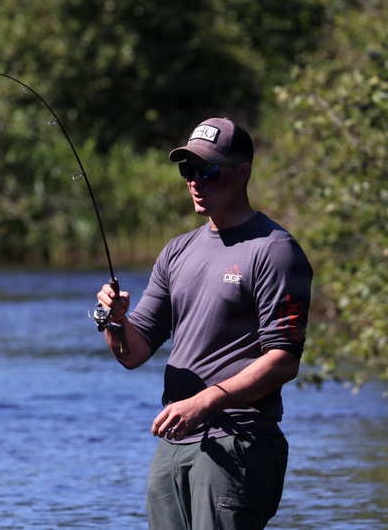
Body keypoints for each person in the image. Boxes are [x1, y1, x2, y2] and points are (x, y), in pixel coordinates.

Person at [95, 117, 312, 530]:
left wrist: (205, 401)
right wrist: (115, 320)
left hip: (238, 442)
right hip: (174, 446)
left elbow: (284, 360)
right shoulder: (178, 251)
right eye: (188, 170)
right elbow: (133, 353)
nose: (197, 180)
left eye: (209, 169)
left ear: (242, 173)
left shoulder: (275, 251)